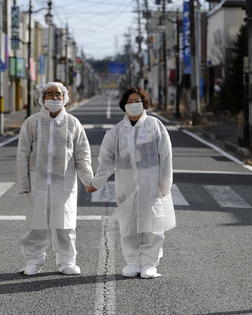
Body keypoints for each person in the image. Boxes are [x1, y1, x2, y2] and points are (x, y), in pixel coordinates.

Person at [87, 87, 176, 278]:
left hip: (151, 184)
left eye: (137, 100)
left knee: (153, 226)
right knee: (128, 226)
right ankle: (133, 262)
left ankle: (150, 263)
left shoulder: (155, 126)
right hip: (126, 184)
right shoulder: (116, 131)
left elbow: (166, 156)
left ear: (144, 103)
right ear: (124, 105)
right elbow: (106, 160)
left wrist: (164, 183)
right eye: (129, 101)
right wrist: (97, 182)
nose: (133, 104)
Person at [16, 82, 93, 276]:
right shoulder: (32, 122)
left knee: (65, 224)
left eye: (58, 94)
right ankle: (33, 261)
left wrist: (88, 180)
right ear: (42, 98)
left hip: (64, 181)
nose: (54, 97)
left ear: (65, 97)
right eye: (49, 94)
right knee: (36, 223)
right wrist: (24, 182)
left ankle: (67, 261)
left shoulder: (73, 123)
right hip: (37, 180)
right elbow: (22, 154)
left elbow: (82, 155)